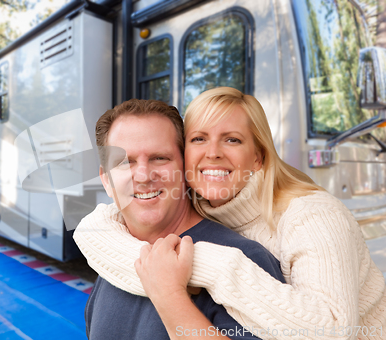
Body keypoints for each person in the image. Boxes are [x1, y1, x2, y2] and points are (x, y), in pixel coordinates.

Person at [74, 88, 386, 340]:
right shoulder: (116, 252)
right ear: (105, 179)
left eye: (159, 157)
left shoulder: (307, 220)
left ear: (258, 158)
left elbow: (331, 331)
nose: (213, 153)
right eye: (199, 139)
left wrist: (189, 277)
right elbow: (100, 223)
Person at [81, 99, 286, 340]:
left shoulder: (245, 259)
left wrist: (171, 296)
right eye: (125, 162)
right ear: (106, 180)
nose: (144, 175)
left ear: (186, 169)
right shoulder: (112, 258)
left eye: (160, 158)